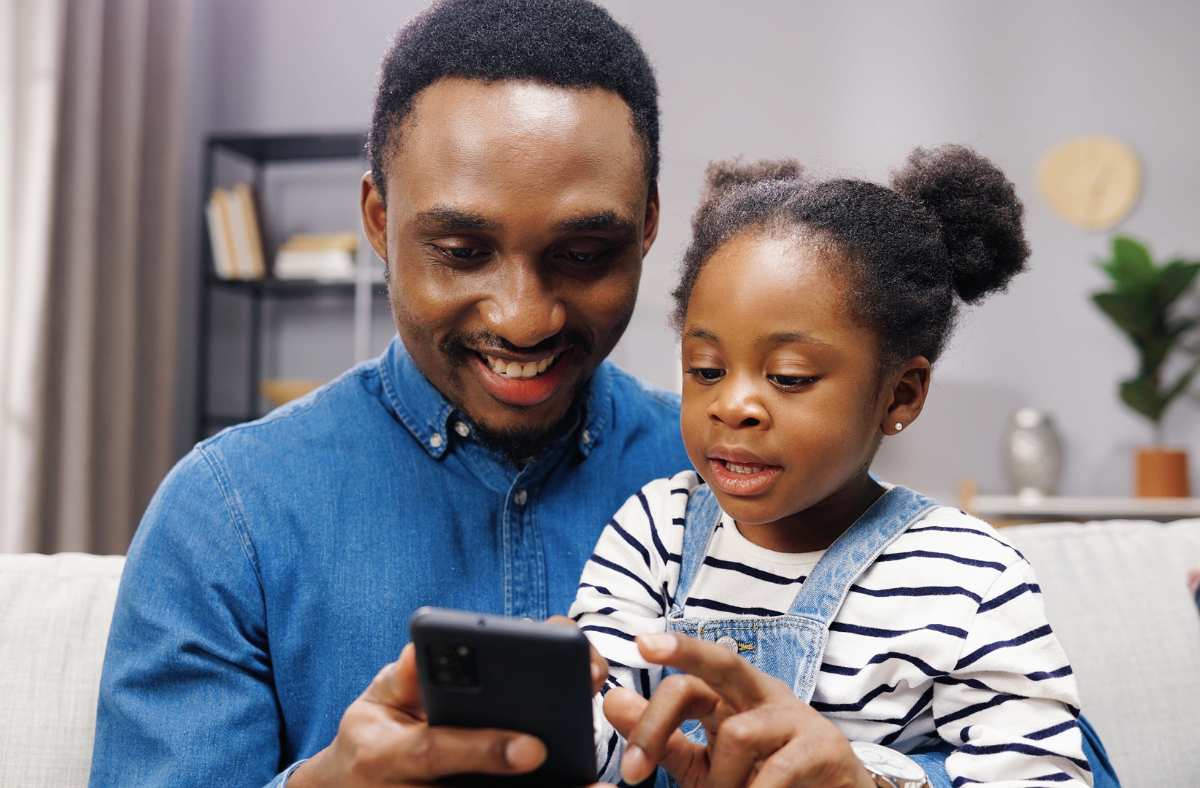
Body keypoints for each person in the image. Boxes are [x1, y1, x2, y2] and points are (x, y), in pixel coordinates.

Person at [89, 1, 688, 786]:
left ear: (645, 227)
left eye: (582, 254)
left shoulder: (737, 475)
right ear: (379, 219)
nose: (525, 318)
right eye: (462, 252)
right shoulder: (226, 515)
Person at [571, 150, 1110, 787]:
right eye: (706, 369)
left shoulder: (968, 574)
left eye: (789, 377)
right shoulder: (657, 530)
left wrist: (865, 780)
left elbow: (1042, 779)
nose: (733, 405)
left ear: (900, 394)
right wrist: (552, 711)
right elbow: (603, 735)